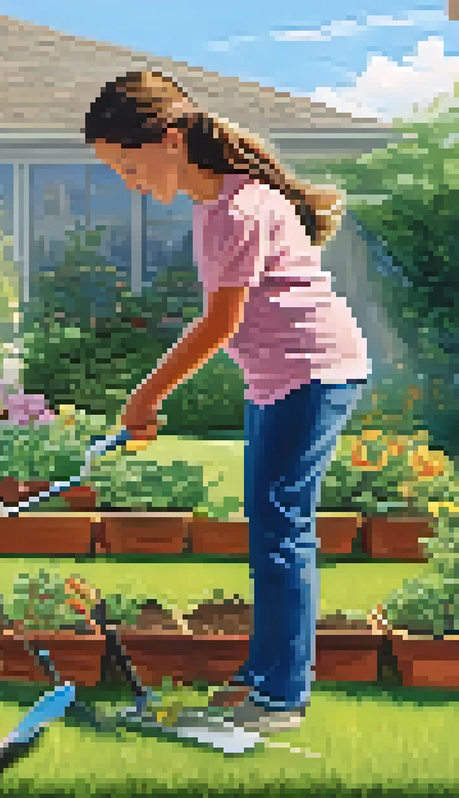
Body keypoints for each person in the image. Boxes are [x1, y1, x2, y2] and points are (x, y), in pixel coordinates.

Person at [84, 71, 371, 734]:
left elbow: (220, 324)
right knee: (270, 527)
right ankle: (265, 677)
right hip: (285, 378)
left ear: (173, 139)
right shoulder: (222, 205)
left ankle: (280, 697)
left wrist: (145, 397)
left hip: (314, 372)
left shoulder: (237, 210)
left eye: (130, 164)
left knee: (281, 531)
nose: (128, 180)